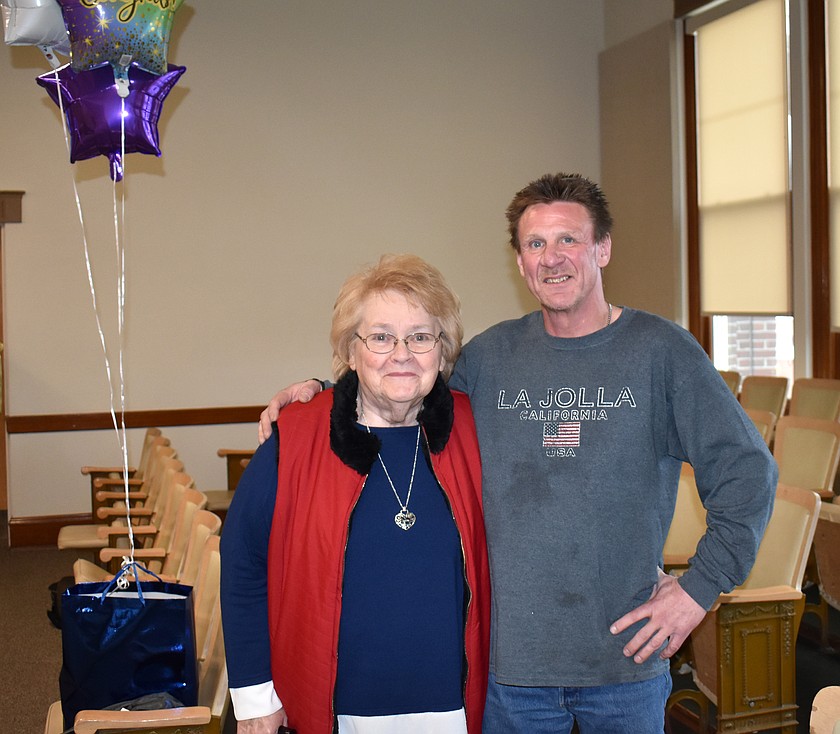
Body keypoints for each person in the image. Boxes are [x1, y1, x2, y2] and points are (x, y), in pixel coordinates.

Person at [259, 173, 777, 733]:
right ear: (520, 261)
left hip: (624, 665)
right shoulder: (491, 358)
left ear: (602, 248)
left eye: (568, 240)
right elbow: (402, 384)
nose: (552, 259)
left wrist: (699, 588)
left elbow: (748, 473)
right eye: (535, 244)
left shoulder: (661, 352)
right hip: (510, 676)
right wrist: (320, 394)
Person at [222, 254, 491, 734]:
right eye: (381, 337)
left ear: (442, 351)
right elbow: (242, 562)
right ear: (352, 351)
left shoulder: (477, 432)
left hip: (452, 707)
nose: (402, 353)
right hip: (333, 708)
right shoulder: (299, 437)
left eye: (421, 336)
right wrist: (254, 697)